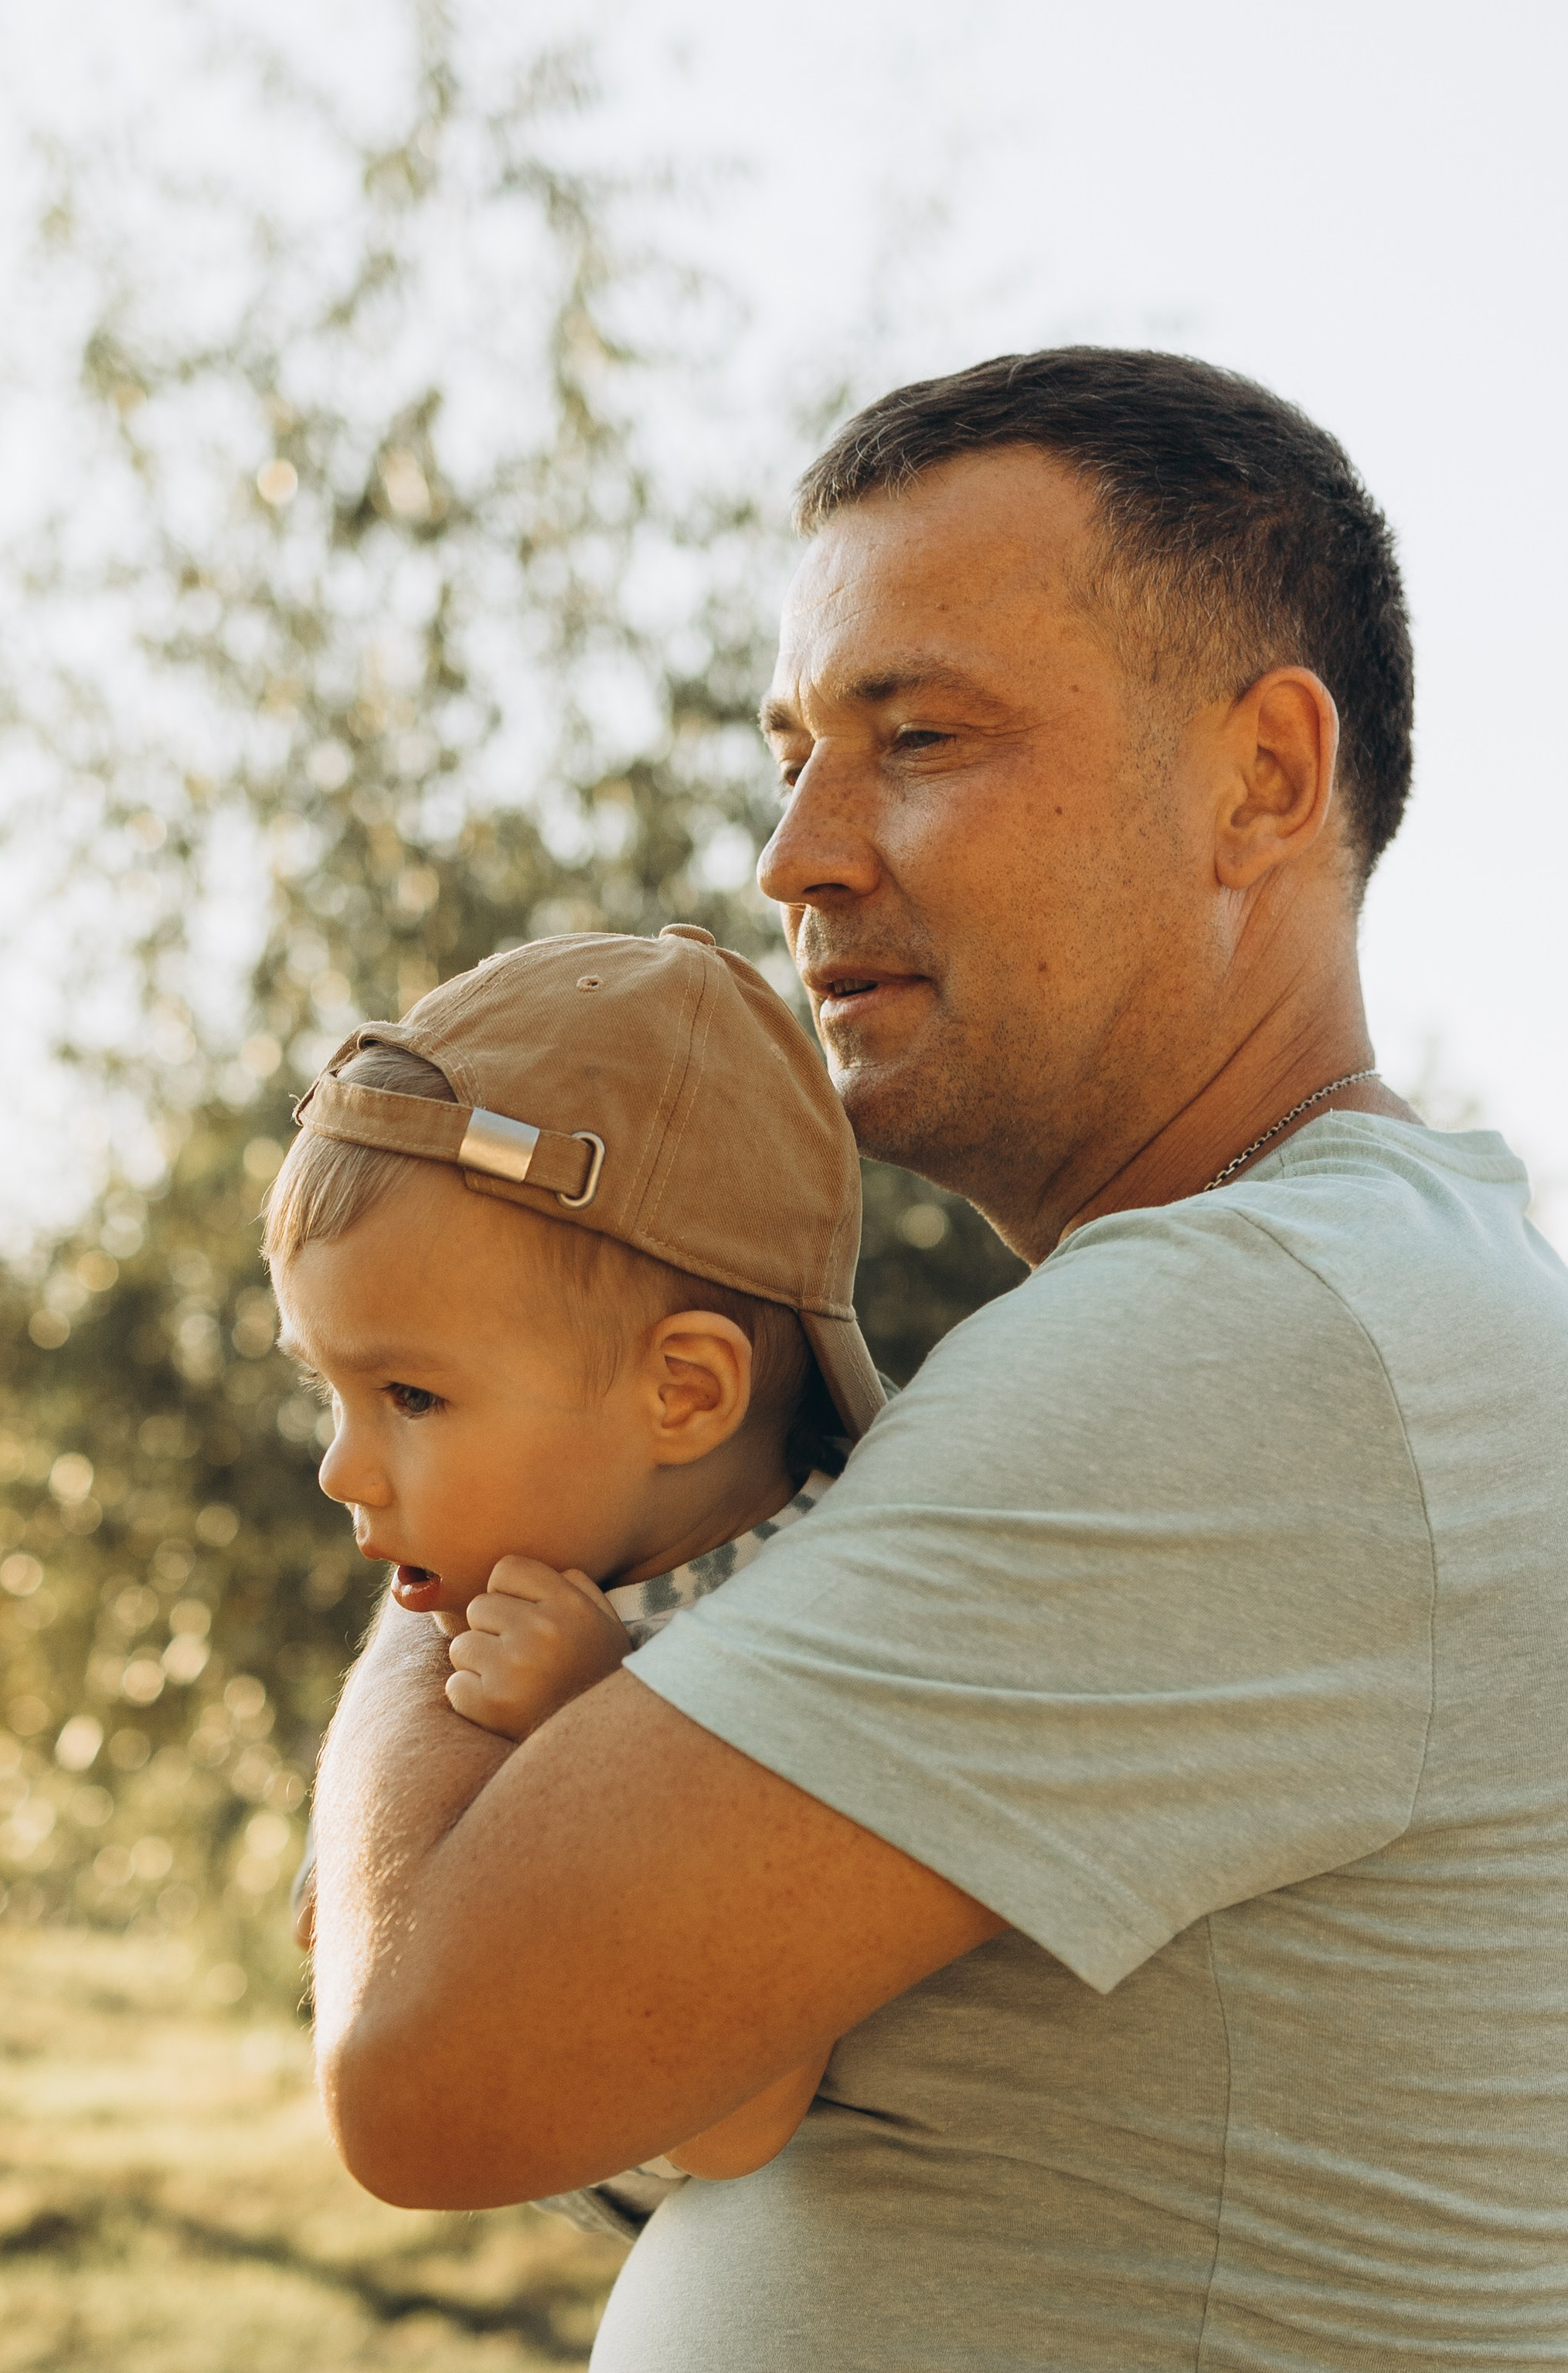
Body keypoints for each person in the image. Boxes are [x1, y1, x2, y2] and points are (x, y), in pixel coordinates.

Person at [308, 349, 1568, 2370]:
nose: (794, 850)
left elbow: (425, 2060)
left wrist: (462, 1454)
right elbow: (731, 2089)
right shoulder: (1357, 1292)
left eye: (919, 736)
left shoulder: (1240, 1345)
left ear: (1263, 776)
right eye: (793, 746)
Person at [267, 923, 886, 2193]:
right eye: (329, 1390)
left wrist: (598, 1727)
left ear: (684, 1392)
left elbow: (734, 2116)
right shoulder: (572, 1572)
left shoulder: (816, 1626)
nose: (340, 1467)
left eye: (412, 1396)